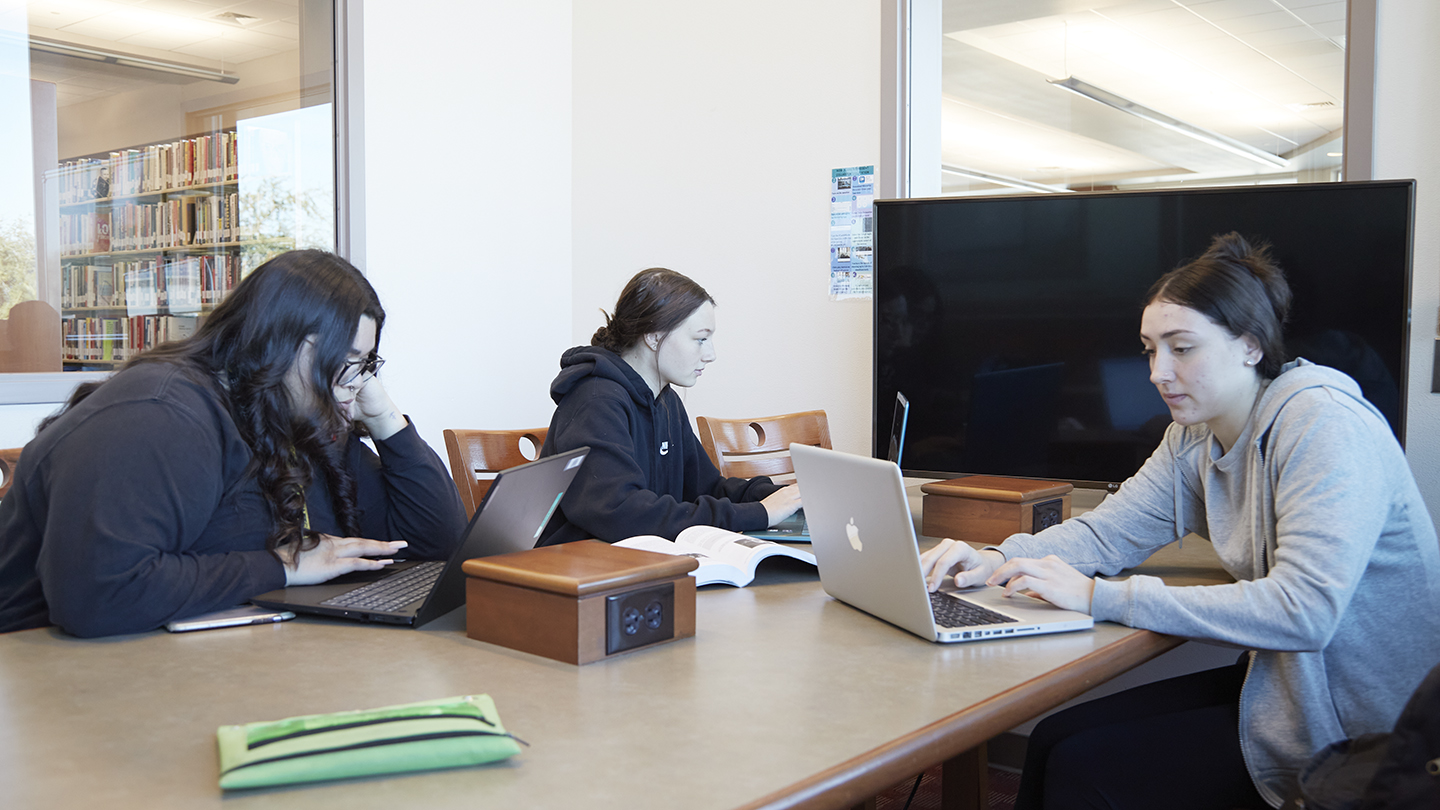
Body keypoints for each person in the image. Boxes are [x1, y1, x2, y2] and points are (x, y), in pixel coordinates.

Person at [919, 233, 1440, 809]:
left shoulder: (1322, 424)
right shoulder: (1194, 435)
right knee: (1052, 738)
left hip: (1370, 733)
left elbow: (1304, 611)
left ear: (1249, 345)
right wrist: (998, 558)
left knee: (1082, 766)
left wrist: (1099, 597)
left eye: (1182, 348)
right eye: (1149, 349)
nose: (1157, 372)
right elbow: (1107, 531)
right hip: (1289, 686)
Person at [0, 250, 466, 638]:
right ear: (288, 346)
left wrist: (387, 421)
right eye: (348, 362)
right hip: (40, 673)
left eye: (367, 364)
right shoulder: (160, 413)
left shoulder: (296, 416)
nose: (356, 382)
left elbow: (432, 545)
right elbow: (98, 594)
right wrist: (281, 567)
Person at [536, 267, 802, 547]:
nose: (711, 354)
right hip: (580, 571)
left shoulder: (665, 400)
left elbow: (707, 488)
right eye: (700, 339)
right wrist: (759, 514)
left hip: (636, 562)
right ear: (653, 336)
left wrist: (782, 496)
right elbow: (622, 515)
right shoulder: (595, 401)